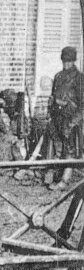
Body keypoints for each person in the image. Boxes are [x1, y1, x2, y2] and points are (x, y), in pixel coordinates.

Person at [47, 46, 84, 186]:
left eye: (69, 61)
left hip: (70, 119)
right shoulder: (58, 76)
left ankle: (64, 180)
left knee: (70, 149)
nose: (66, 64)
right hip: (57, 117)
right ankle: (54, 175)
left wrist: (73, 122)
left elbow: (82, 104)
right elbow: (53, 97)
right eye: (64, 61)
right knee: (56, 147)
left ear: (73, 61)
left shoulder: (79, 78)